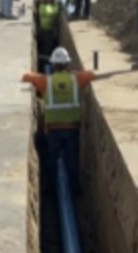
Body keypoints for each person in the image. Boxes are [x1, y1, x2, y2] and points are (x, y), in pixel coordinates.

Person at [21, 46, 95, 192]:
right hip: (72, 129)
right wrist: (76, 73)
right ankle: (74, 190)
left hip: (53, 131)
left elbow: (26, 77)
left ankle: (51, 191)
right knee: (72, 161)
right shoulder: (75, 80)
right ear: (67, 64)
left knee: (52, 160)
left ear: (53, 65)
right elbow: (91, 74)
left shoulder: (46, 82)